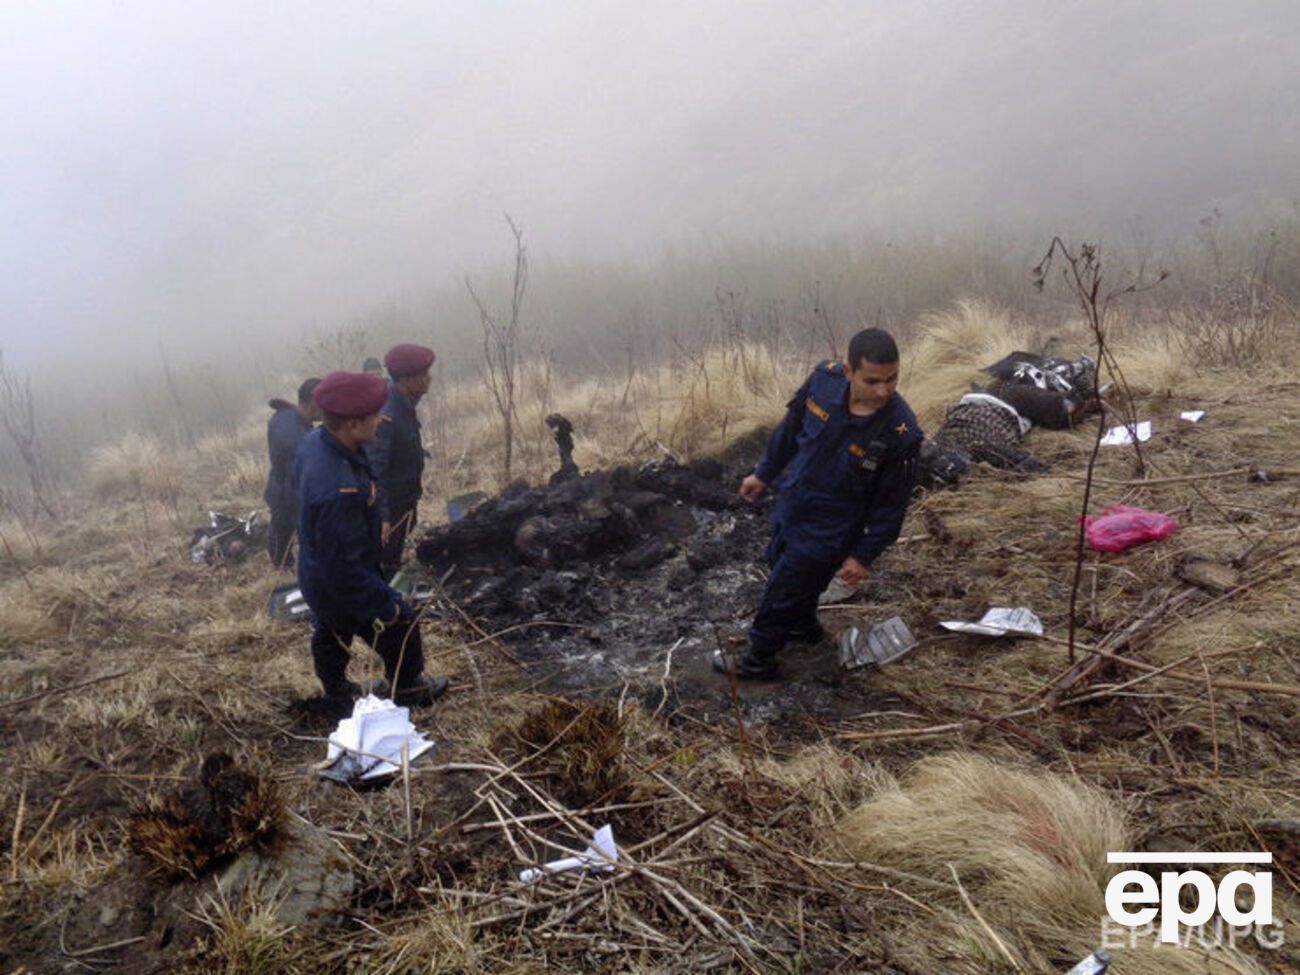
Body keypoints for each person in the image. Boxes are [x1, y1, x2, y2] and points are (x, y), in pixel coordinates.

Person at [713, 328, 923, 680]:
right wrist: (763, 473)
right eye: (872, 381)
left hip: (834, 525)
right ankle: (803, 626)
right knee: (778, 560)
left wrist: (863, 555)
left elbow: (892, 505)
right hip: (795, 499)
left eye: (892, 379)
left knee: (784, 586)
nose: (883, 391)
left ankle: (758, 659)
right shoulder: (823, 382)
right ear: (848, 371)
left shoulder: (901, 432)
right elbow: (790, 429)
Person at [294, 370, 448, 707]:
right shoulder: (337, 490)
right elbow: (344, 571)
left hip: (316, 564)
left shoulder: (320, 442)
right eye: (374, 416)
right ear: (352, 424)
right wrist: (384, 605)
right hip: (335, 572)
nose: (380, 421)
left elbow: (365, 475)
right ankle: (408, 688)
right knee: (400, 620)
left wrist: (375, 514)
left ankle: (335, 690)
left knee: (333, 627)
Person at [369, 343, 435, 579]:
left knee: (396, 550)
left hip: (407, 497)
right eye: (424, 374)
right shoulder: (388, 414)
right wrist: (383, 517)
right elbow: (376, 470)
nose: (429, 378)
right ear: (406, 380)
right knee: (385, 557)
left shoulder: (406, 404)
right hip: (393, 504)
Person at [263, 377, 321, 568]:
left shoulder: (300, 422)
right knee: (282, 535)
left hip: (293, 493)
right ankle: (282, 569)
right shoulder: (286, 421)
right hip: (284, 494)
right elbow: (298, 449)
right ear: (313, 403)